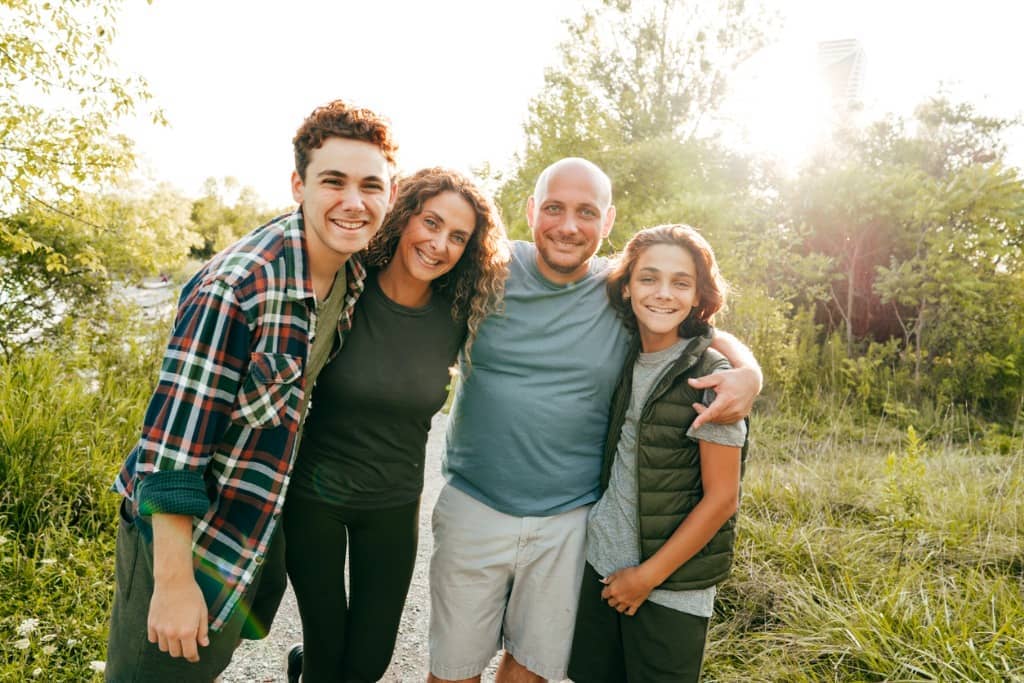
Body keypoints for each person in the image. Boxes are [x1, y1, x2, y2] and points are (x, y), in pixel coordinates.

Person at [427, 158, 761, 683]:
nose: (568, 225)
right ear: (532, 211)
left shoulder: (618, 286)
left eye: (586, 212)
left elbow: (695, 325)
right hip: (475, 504)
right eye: (554, 209)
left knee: (532, 668)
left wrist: (749, 372)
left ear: (607, 223)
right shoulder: (488, 270)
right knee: (453, 669)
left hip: (568, 520)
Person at [105, 100, 398, 682]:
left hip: (251, 527)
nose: (354, 201)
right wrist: (171, 583)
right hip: (185, 542)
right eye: (333, 181)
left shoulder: (352, 271)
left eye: (372, 186)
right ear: (299, 185)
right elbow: (171, 449)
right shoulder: (239, 287)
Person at [282, 168, 508, 682]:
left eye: (458, 237)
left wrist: (734, 359)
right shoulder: (345, 285)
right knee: (327, 653)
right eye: (431, 223)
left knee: (367, 664)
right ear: (403, 216)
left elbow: (585, 282)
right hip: (314, 496)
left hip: (392, 500)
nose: (439, 244)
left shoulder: (460, 314)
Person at [567, 224, 746, 682]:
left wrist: (646, 577)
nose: (663, 293)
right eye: (648, 278)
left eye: (680, 282)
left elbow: (722, 499)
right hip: (600, 565)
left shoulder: (713, 377)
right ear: (626, 287)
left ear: (698, 294)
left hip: (670, 587)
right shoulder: (621, 352)